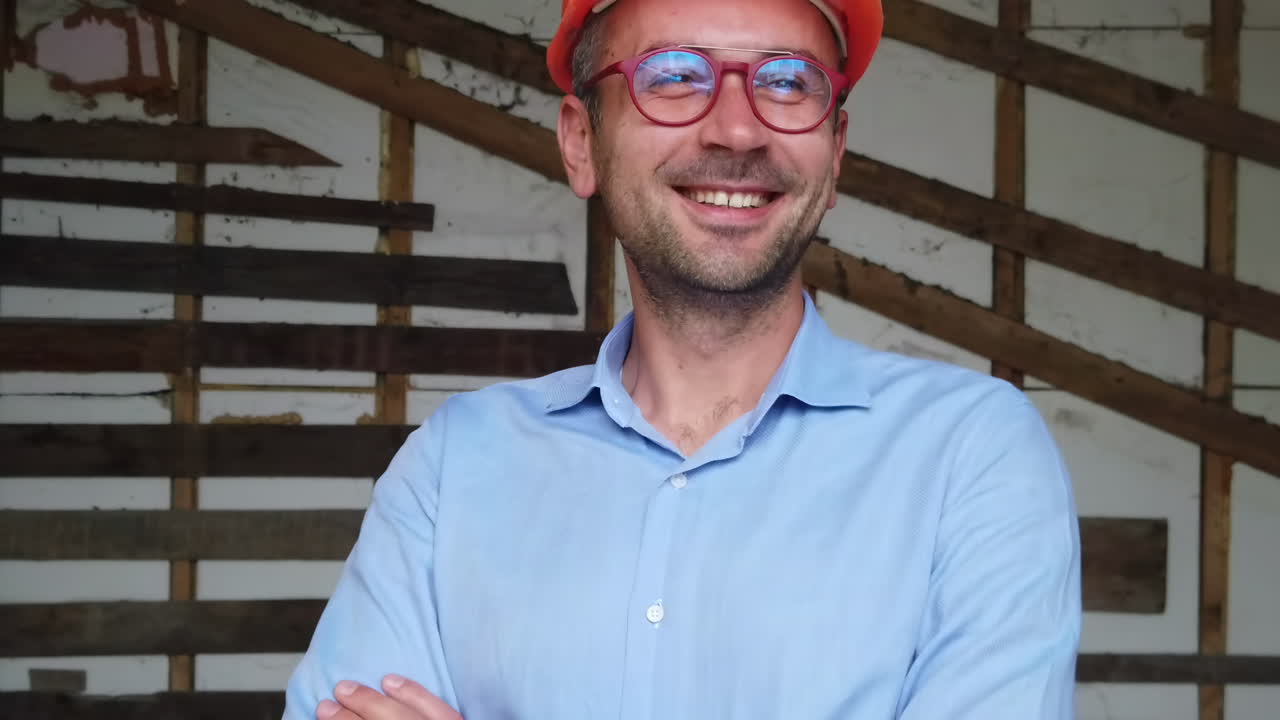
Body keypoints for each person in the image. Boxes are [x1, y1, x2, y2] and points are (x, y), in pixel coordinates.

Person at [284, 0, 1081, 717]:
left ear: (835, 152)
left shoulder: (970, 455)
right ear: (581, 144)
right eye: (672, 75)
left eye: (789, 82)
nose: (737, 129)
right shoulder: (454, 467)